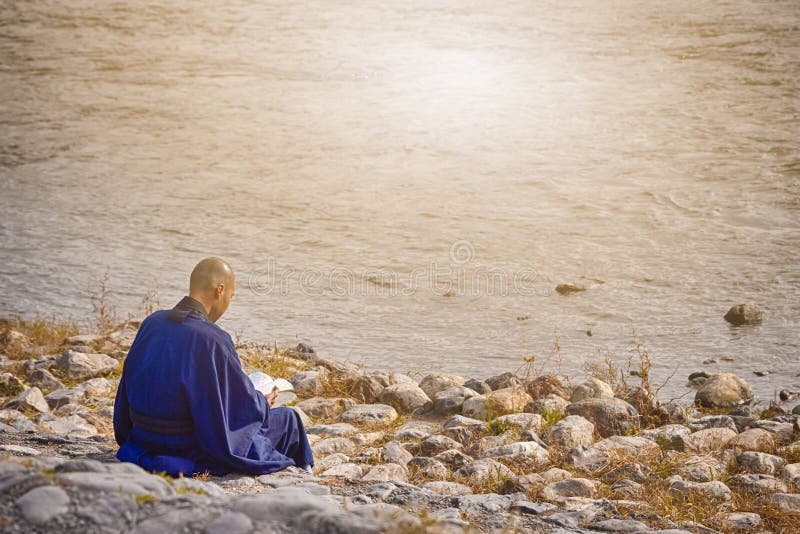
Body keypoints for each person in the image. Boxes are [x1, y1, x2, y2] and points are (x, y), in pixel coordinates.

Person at [113, 257, 314, 476]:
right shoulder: (214, 339)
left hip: (144, 439)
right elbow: (239, 411)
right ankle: (304, 476)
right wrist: (262, 401)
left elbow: (128, 387)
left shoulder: (152, 323)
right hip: (190, 448)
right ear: (220, 290)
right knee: (288, 419)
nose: (228, 302)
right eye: (230, 296)